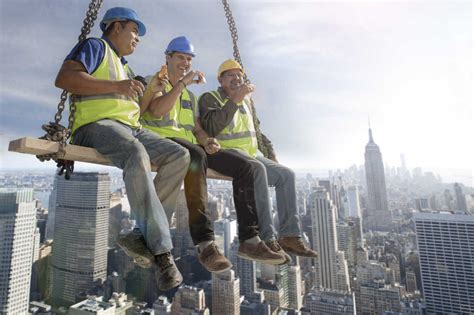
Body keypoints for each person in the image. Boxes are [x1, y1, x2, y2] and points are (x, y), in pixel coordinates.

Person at [55, 7, 189, 291]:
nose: (138, 38)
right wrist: (119, 85)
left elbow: (134, 112)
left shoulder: (124, 65)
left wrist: (148, 89)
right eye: (134, 30)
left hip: (128, 127)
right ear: (116, 26)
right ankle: (162, 252)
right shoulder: (95, 47)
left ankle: (143, 234)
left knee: (180, 154)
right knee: (135, 152)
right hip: (95, 125)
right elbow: (65, 78)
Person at [140, 36, 286, 266]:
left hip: (191, 145)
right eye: (180, 57)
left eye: (189, 59)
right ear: (167, 58)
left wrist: (208, 141)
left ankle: (250, 239)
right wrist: (181, 84)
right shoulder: (155, 82)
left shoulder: (190, 96)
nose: (185, 63)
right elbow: (157, 111)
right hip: (162, 143)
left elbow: (197, 129)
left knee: (246, 167)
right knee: (195, 156)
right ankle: (205, 244)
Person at [199, 59, 318, 258]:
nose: (236, 78)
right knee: (257, 169)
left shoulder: (247, 102)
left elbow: (257, 132)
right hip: (225, 153)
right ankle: (267, 238)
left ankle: (289, 236)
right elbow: (211, 127)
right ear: (220, 80)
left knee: (286, 175)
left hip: (251, 155)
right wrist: (234, 100)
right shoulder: (210, 98)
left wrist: (270, 154)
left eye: (239, 75)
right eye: (230, 75)